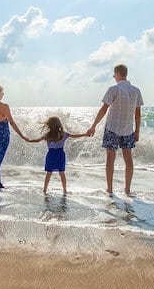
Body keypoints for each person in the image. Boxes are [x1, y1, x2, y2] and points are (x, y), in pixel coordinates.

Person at [86, 64, 143, 196]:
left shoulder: (114, 89)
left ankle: (110, 189)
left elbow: (104, 109)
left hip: (112, 128)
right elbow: (138, 114)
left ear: (117, 74)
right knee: (128, 160)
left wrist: (93, 125)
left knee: (110, 159)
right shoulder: (136, 91)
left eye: (114, 75)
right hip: (128, 130)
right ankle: (127, 190)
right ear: (126, 74)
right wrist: (137, 131)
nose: (113, 77)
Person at [26, 116, 87, 195]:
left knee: (49, 173)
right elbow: (75, 136)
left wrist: (29, 140)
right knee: (62, 172)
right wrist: (85, 134)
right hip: (60, 154)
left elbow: (37, 140)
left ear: (49, 125)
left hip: (51, 155)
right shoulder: (63, 134)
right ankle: (64, 190)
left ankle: (44, 190)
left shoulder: (47, 135)